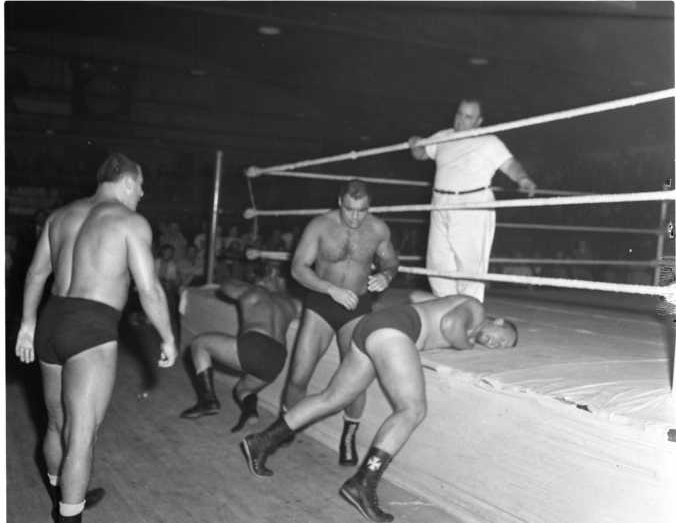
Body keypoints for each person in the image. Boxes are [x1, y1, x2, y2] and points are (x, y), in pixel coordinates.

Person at [242, 292, 518, 522]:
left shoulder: (465, 308)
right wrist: (467, 344)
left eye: (500, 348)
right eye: (502, 337)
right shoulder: (477, 309)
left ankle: (262, 441)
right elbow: (450, 327)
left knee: (332, 397)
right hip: (393, 330)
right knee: (412, 409)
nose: (495, 344)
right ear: (499, 321)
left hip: (373, 327)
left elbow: (417, 296)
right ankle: (363, 483)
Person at [14, 153, 177, 523]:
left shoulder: (60, 216)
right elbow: (149, 289)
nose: (142, 193)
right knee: (82, 436)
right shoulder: (129, 222)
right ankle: (69, 515)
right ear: (127, 181)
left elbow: (36, 273)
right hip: (90, 326)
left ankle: (62, 497)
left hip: (50, 321)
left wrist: (27, 325)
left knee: (56, 424)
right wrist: (167, 337)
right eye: (140, 185)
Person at [284, 179, 399, 466]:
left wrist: (386, 276)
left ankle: (349, 436)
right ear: (339, 202)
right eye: (349, 209)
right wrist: (330, 289)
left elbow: (391, 262)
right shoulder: (320, 226)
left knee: (355, 380)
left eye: (362, 210)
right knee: (299, 376)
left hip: (357, 307)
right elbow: (297, 268)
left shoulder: (378, 229)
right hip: (322, 303)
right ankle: (284, 430)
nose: (355, 217)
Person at [409, 98, 537, 302]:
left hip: (472, 205)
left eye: (468, 117)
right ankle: (446, 309)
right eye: (459, 114)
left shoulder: (489, 141)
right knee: (438, 263)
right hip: (440, 203)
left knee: (470, 266)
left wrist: (523, 179)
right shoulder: (443, 136)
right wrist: (415, 143)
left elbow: (509, 164)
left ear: (479, 122)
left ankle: (470, 313)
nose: (461, 120)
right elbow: (422, 154)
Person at [180, 268, 301, 432]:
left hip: (255, 346)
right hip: (277, 359)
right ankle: (250, 411)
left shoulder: (252, 291)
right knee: (243, 389)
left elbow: (225, 286)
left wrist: (245, 282)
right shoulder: (292, 303)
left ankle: (207, 400)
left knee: (199, 344)